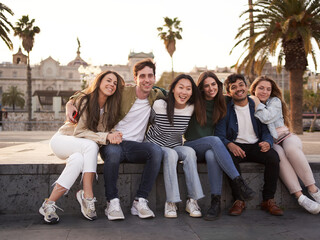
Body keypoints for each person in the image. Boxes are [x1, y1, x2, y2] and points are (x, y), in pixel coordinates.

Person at [66, 59, 164, 220]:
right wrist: (71, 102)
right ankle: (112, 202)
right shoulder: (124, 91)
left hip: (135, 147)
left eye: (150, 76)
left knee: (156, 151)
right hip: (111, 141)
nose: (147, 80)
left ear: (154, 77)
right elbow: (93, 91)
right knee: (113, 154)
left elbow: (177, 93)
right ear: (135, 79)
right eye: (142, 76)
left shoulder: (156, 95)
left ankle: (140, 201)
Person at [39, 70, 125, 224]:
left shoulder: (109, 108)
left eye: (115, 83)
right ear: (99, 82)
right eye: (108, 80)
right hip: (63, 140)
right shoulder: (86, 100)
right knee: (91, 146)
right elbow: (80, 132)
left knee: (78, 161)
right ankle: (87, 195)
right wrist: (106, 137)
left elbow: (101, 131)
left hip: (79, 146)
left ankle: (48, 204)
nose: (111, 85)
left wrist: (113, 133)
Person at [249, 75, 320, 214]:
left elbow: (267, 117)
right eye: (261, 88)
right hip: (270, 142)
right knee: (278, 155)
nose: (264, 92)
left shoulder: (275, 101)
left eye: (268, 89)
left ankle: (314, 190)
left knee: (291, 149)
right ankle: (300, 197)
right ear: (254, 89)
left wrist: (256, 102)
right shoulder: (248, 103)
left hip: (285, 136)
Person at [184, 71, 255, 220]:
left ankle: (215, 203)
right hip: (192, 146)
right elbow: (173, 93)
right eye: (206, 86)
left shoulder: (224, 101)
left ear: (218, 85)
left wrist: (258, 99)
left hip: (210, 148)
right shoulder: (194, 100)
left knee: (212, 155)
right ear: (201, 88)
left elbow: (246, 97)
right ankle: (239, 181)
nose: (211, 88)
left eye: (213, 84)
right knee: (215, 140)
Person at [215, 73, 284, 216]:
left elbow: (266, 129)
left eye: (241, 85)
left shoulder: (256, 106)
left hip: (256, 145)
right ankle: (239, 200)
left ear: (247, 87)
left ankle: (268, 200)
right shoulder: (225, 109)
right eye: (234, 87)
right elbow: (219, 135)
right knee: (228, 160)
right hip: (236, 146)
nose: (239, 89)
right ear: (229, 92)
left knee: (273, 157)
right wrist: (229, 145)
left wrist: (267, 142)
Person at [145, 74, 205, 218]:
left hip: (175, 145)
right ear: (172, 89)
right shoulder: (159, 105)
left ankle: (192, 200)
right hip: (155, 147)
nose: (184, 92)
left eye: (188, 89)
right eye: (181, 87)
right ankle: (171, 202)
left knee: (190, 152)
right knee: (171, 155)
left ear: (192, 92)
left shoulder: (191, 108)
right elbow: (146, 121)